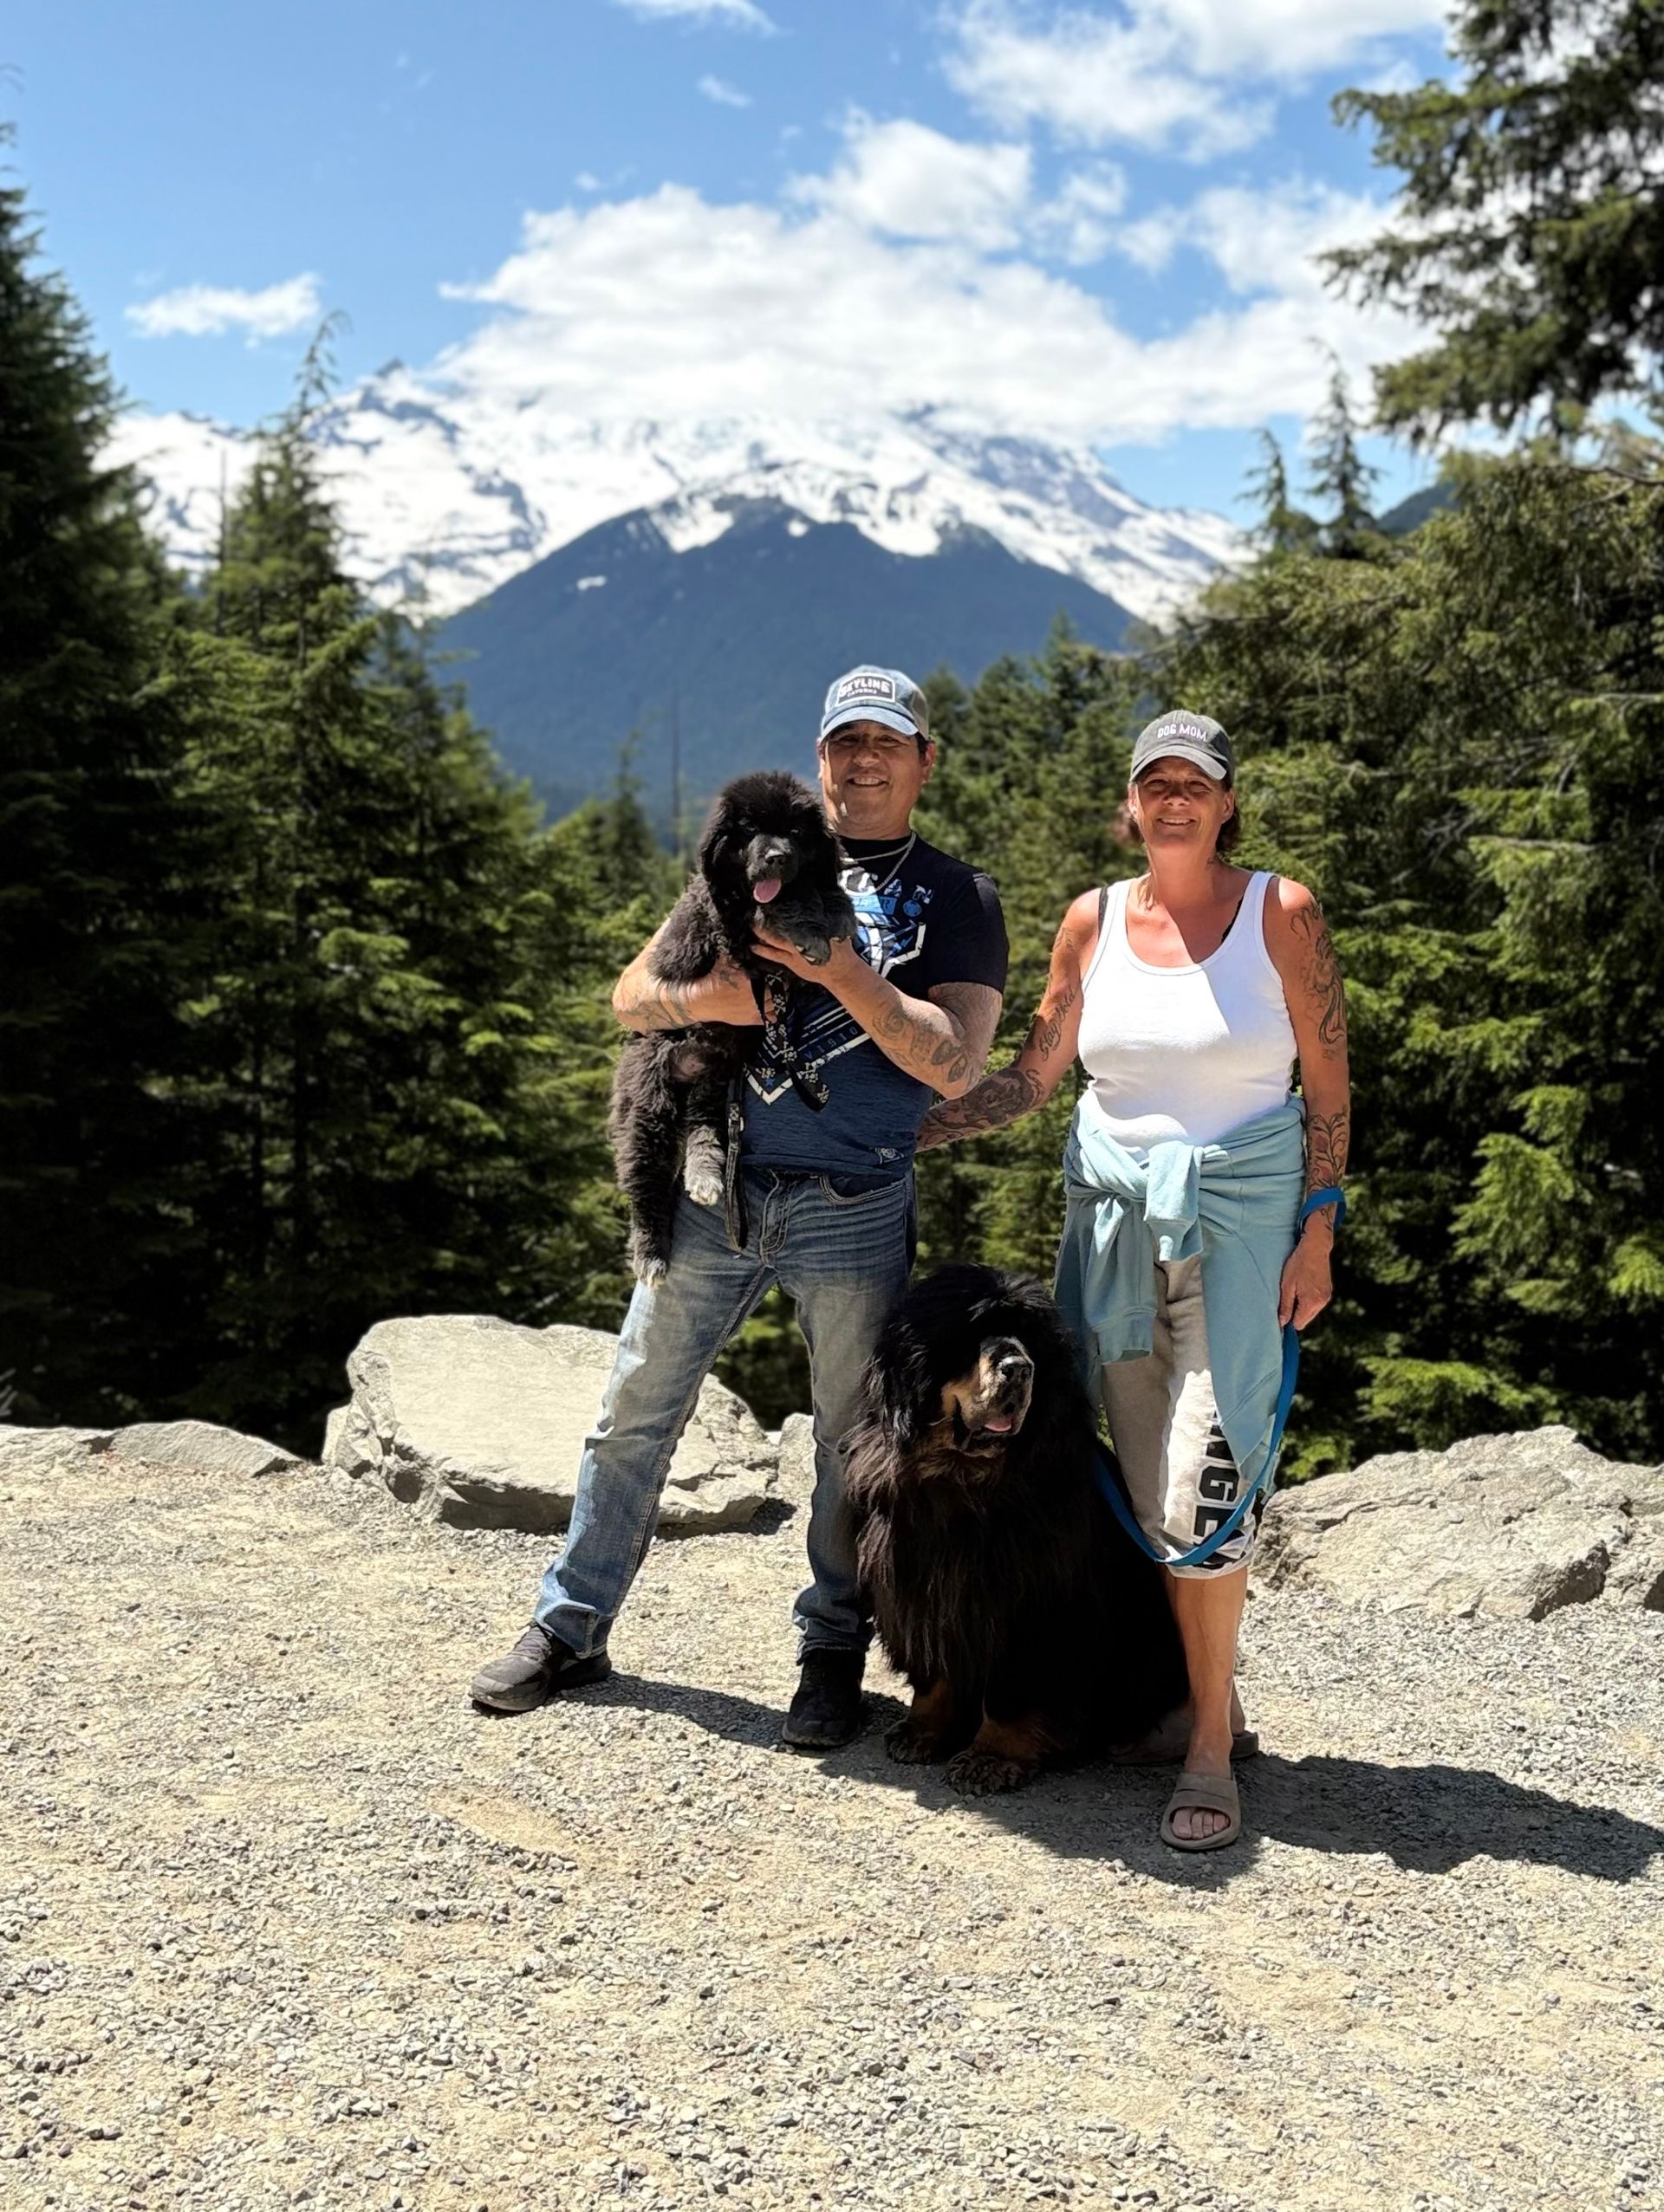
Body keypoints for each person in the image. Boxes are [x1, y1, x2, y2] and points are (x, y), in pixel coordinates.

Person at [471, 665, 1009, 1748]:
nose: (865, 760)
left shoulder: (956, 897)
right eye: (846, 743)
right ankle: (570, 1626)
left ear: (923, 762)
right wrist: (710, 998)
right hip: (714, 1193)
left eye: (887, 743)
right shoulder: (746, 858)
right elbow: (632, 998)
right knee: (634, 1411)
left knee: (845, 1445)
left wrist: (843, 970)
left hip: (851, 1204)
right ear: (819, 763)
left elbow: (954, 1064)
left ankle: (829, 1657)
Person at [915, 709, 1349, 1851]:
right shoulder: (1093, 922)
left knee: (1210, 1480)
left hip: (1246, 1227)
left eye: (1194, 784)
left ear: (1227, 801)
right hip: (1110, 1229)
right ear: (1131, 800)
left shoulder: (1282, 914)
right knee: (1157, 1488)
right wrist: (913, 1132)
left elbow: (1330, 1079)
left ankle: (1207, 1753)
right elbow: (1037, 1072)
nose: (1173, 801)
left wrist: (1320, 1226)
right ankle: (1217, 1706)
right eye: (1154, 783)